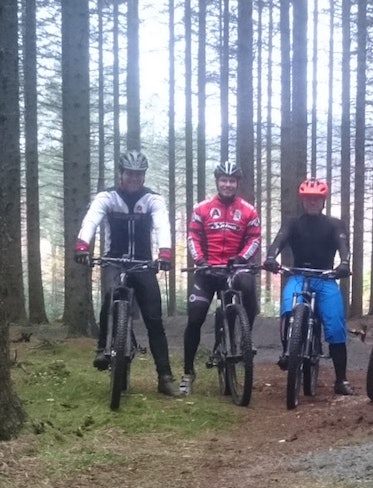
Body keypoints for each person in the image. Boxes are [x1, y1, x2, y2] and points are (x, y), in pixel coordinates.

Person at [74, 150, 179, 397]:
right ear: (121, 174)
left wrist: (165, 253)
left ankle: (165, 377)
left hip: (142, 263)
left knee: (154, 320)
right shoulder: (107, 197)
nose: (134, 178)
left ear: (143, 176)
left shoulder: (153, 199)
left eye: (138, 174)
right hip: (113, 259)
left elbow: (163, 224)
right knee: (110, 294)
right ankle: (102, 348)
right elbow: (91, 220)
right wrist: (82, 245)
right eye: (130, 173)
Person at [262, 178, 354, 396]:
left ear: (323, 201)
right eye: (308, 199)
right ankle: (288, 351)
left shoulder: (334, 224)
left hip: (325, 278)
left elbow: (343, 247)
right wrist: (270, 257)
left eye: (317, 199)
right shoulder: (293, 223)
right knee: (287, 309)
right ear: (303, 201)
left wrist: (344, 264)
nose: (312, 202)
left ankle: (341, 380)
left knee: (335, 325)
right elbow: (278, 241)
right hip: (297, 275)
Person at [179, 160, 263, 396]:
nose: (227, 184)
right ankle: (188, 373)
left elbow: (255, 239)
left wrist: (241, 259)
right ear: (217, 182)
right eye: (224, 180)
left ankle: (245, 338)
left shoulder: (248, 210)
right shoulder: (202, 209)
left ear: (238, 183)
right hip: (207, 270)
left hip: (233, 268)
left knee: (247, 284)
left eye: (232, 181)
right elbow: (193, 237)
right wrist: (200, 261)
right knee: (195, 317)